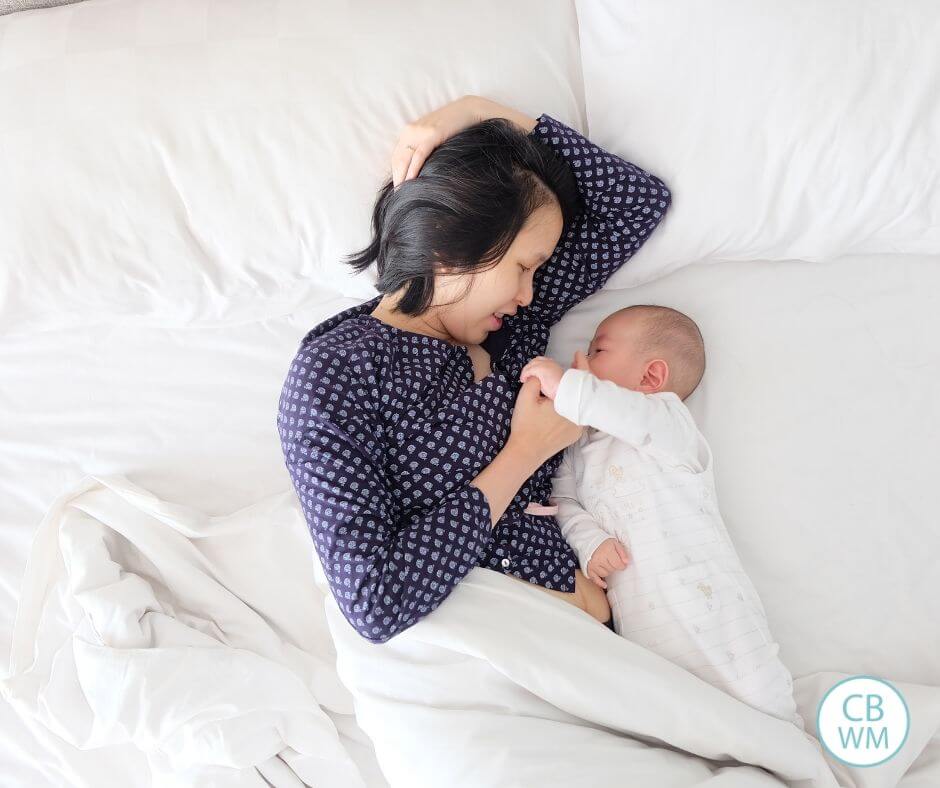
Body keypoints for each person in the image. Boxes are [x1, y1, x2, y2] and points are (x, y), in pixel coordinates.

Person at [276, 94, 671, 644]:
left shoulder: (514, 329)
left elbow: (635, 203)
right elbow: (374, 601)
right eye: (523, 267)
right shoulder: (336, 373)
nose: (530, 291)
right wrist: (524, 452)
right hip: (487, 654)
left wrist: (482, 113)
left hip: (598, 644)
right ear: (456, 242)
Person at [521, 305, 804, 726]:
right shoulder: (580, 443)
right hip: (648, 638)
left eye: (597, 351)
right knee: (679, 726)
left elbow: (621, 412)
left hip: (718, 616)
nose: (581, 359)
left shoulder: (668, 422)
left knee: (763, 708)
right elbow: (564, 502)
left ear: (650, 378)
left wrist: (569, 386)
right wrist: (590, 542)